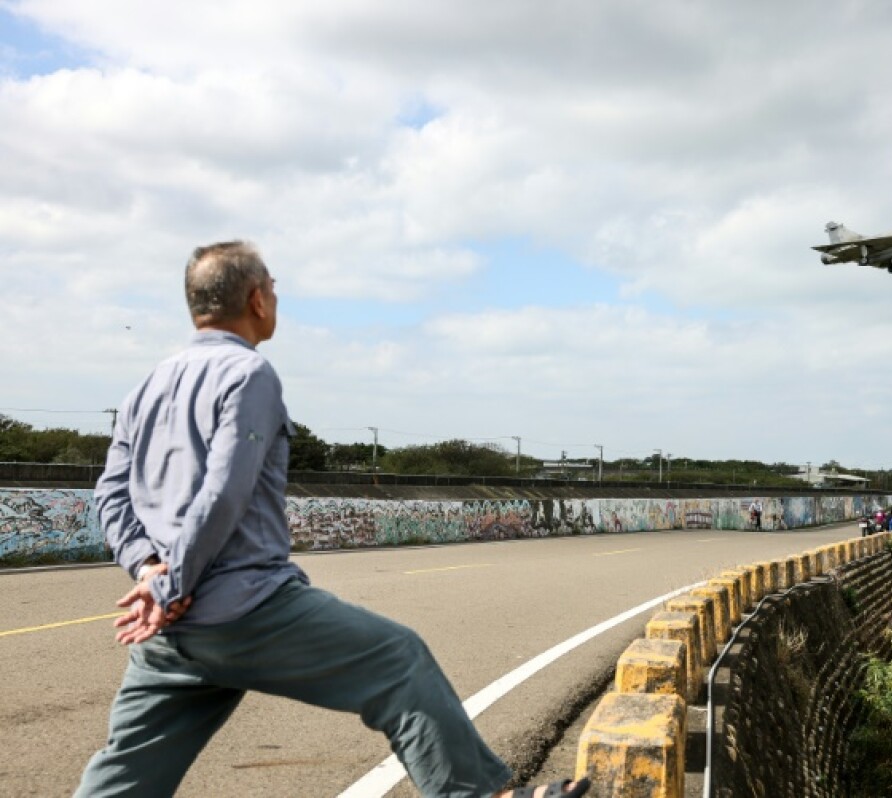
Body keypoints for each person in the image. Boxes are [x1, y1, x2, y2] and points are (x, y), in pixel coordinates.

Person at [77, 242, 589, 798]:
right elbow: (224, 491)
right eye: (272, 287)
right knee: (399, 660)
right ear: (256, 299)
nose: (275, 297)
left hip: (171, 630)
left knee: (125, 773)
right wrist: (173, 581)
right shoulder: (248, 374)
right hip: (246, 608)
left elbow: (111, 492)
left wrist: (149, 570)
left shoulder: (145, 387)